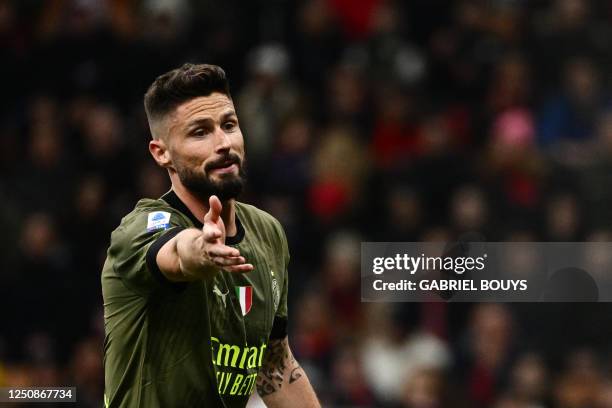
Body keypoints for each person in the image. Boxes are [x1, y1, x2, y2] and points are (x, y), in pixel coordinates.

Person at [101, 63, 320, 407]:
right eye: (199, 132)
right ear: (162, 154)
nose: (223, 143)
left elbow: (276, 367)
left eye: (229, 125)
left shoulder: (267, 232)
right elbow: (176, 254)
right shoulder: (140, 227)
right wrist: (201, 251)